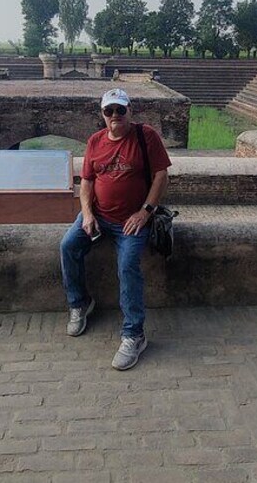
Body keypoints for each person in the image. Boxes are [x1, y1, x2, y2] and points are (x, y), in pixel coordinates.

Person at [60, 88, 171, 370]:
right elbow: (85, 182)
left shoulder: (145, 137)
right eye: (109, 111)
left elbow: (161, 175)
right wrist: (86, 214)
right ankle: (80, 303)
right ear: (102, 114)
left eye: (120, 110)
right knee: (68, 246)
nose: (115, 116)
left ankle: (134, 334)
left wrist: (146, 212)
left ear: (130, 110)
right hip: (98, 216)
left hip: (130, 222)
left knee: (127, 266)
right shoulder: (95, 141)